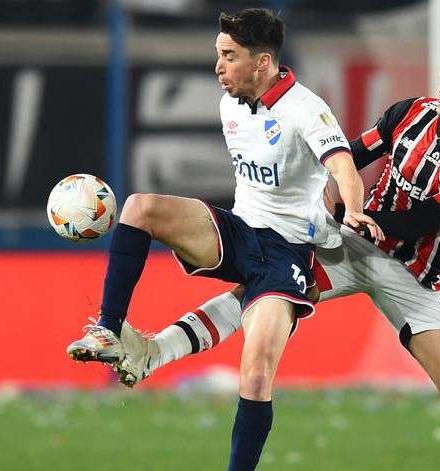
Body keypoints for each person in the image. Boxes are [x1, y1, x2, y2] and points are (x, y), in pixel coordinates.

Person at [115, 36, 440, 471]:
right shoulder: (411, 113)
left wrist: (349, 214)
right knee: (264, 287)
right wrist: (326, 194)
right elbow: (351, 154)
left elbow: (423, 220)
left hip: (414, 275)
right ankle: (153, 353)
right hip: (353, 246)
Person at [65, 8, 382, 471]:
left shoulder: (306, 109)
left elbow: (344, 169)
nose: (218, 66)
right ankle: (109, 329)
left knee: (255, 376)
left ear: (262, 61)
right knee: (139, 207)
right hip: (238, 232)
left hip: (287, 253)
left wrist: (353, 210)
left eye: (229, 56)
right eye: (219, 54)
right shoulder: (229, 104)